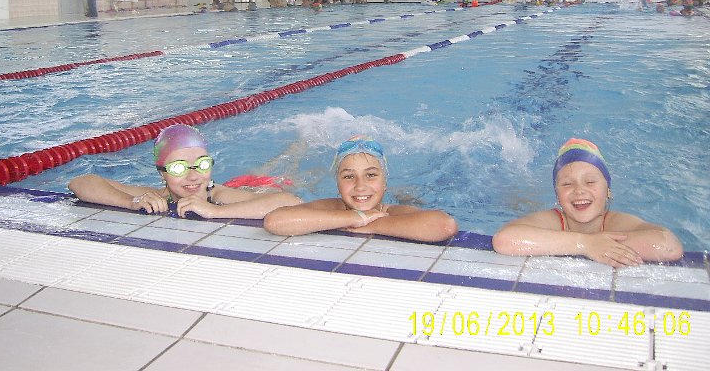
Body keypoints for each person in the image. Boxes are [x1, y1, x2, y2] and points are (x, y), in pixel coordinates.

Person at [492, 138, 683, 267]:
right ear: (558, 196)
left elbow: (669, 246)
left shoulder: (616, 223)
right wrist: (586, 244)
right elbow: (504, 240)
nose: (579, 190)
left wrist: (602, 245)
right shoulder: (554, 220)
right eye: (567, 184)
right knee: (519, 203)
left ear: (608, 191)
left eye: (590, 182)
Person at [68, 124, 301, 218]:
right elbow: (81, 182)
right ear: (162, 172)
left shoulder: (217, 195)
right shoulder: (159, 195)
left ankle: (300, 144)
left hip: (262, 186)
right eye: (179, 168)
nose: (192, 176)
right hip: (240, 183)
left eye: (202, 164)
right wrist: (131, 201)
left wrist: (214, 211)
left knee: (286, 167)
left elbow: (290, 201)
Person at [264, 136, 458, 242]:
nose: (360, 186)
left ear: (384, 182)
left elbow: (444, 226)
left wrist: (371, 224)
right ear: (338, 184)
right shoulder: (332, 207)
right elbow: (275, 221)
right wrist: (354, 217)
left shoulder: (392, 211)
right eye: (349, 177)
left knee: (409, 198)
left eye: (371, 175)